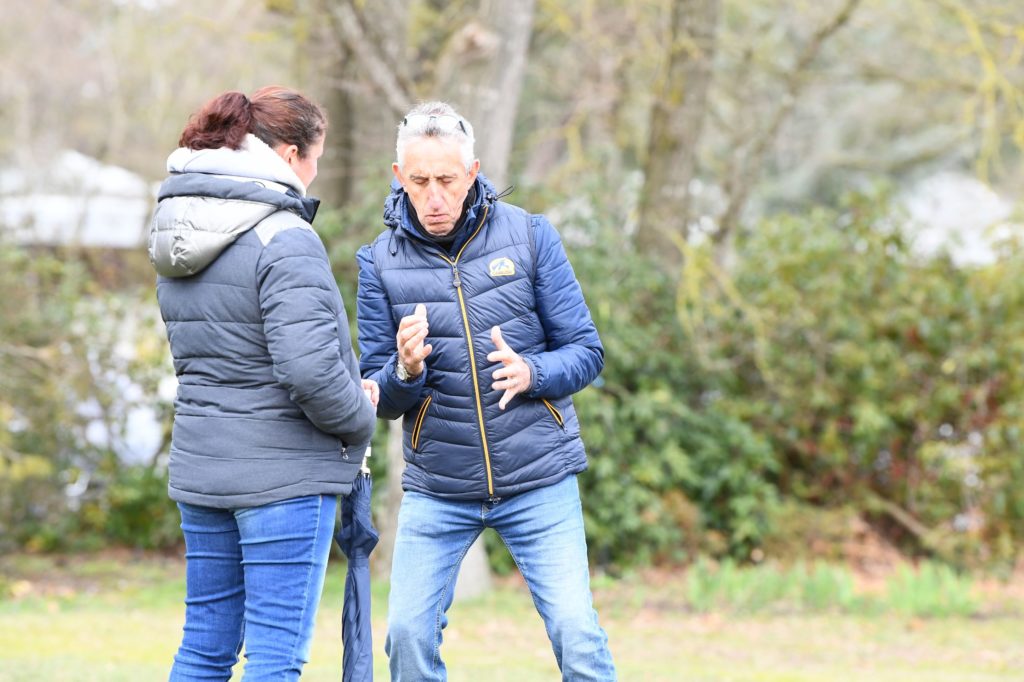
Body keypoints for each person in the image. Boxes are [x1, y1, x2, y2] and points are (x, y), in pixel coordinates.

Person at [356, 101, 617, 681]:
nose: (435, 197)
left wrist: (533, 373)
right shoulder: (377, 263)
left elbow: (586, 351)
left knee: (577, 637)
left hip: (537, 477)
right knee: (405, 638)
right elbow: (375, 393)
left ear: (472, 172)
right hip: (439, 487)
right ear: (399, 178)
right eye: (420, 182)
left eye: (447, 180)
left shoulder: (529, 235)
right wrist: (403, 370)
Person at [149, 86, 378, 681]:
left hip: (203, 467)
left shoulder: (181, 234)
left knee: (203, 649)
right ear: (288, 154)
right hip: (283, 478)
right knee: (275, 659)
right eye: (314, 159)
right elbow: (308, 369)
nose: (314, 173)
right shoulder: (283, 235)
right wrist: (360, 412)